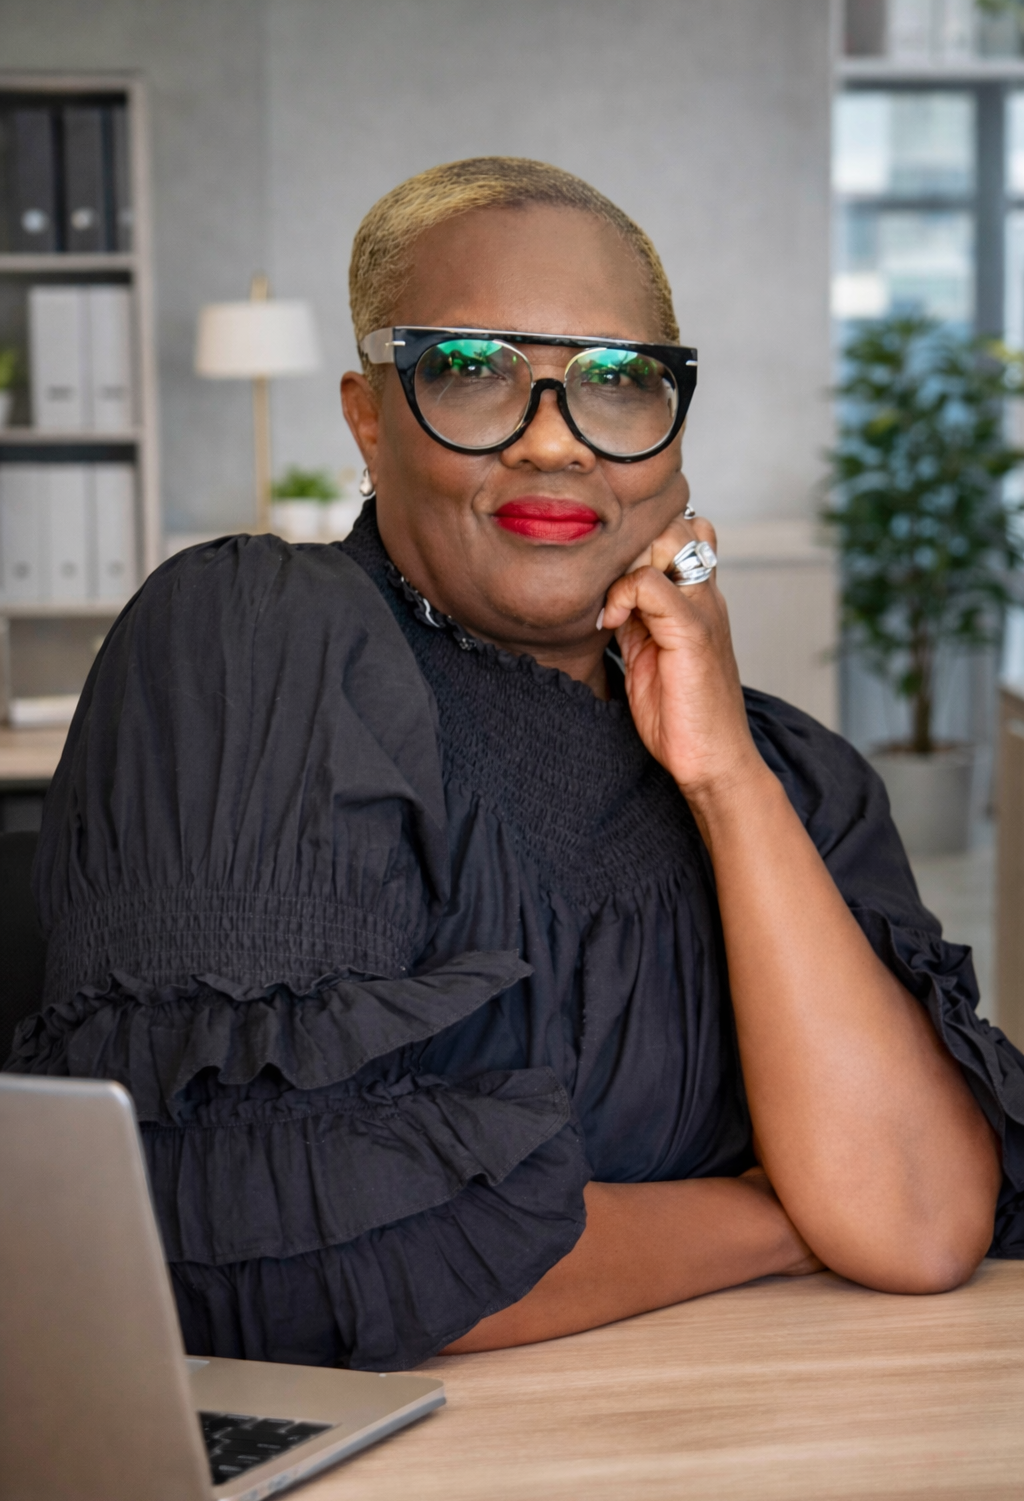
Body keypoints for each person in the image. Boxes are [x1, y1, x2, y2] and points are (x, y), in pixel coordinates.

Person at [9, 159, 1023, 1372]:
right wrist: (771, 1217)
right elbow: (250, 1251)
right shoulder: (260, 646)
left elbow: (911, 1222)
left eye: (615, 382)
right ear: (369, 414)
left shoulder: (796, 776)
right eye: (473, 372)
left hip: (748, 1460)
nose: (555, 443)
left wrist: (725, 783)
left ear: (672, 429)